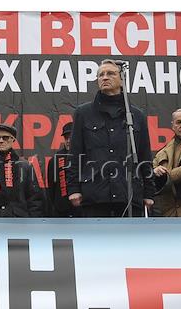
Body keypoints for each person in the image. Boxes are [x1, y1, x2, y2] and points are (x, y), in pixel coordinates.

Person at [66, 59, 155, 216]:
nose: (105, 77)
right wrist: (73, 188)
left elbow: (144, 155)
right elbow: (75, 154)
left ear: (122, 79)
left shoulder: (136, 115)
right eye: (101, 75)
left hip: (128, 195)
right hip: (94, 195)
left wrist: (149, 192)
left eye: (111, 73)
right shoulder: (83, 113)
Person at [44, 121, 76, 217]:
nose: (68, 141)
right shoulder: (55, 160)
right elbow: (51, 190)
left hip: (82, 212)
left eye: (72, 137)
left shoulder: (86, 157)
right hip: (61, 212)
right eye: (66, 137)